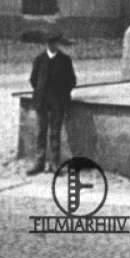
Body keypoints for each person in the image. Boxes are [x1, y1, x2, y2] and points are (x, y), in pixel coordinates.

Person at [27, 32, 77, 176]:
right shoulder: (39, 59)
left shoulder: (65, 60)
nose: (52, 45)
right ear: (46, 44)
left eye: (54, 43)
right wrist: (41, 91)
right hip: (42, 101)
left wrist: (61, 94)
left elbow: (72, 81)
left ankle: (55, 163)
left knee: (55, 133)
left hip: (58, 102)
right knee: (41, 132)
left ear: (58, 44)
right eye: (49, 43)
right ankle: (39, 162)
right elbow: (33, 80)